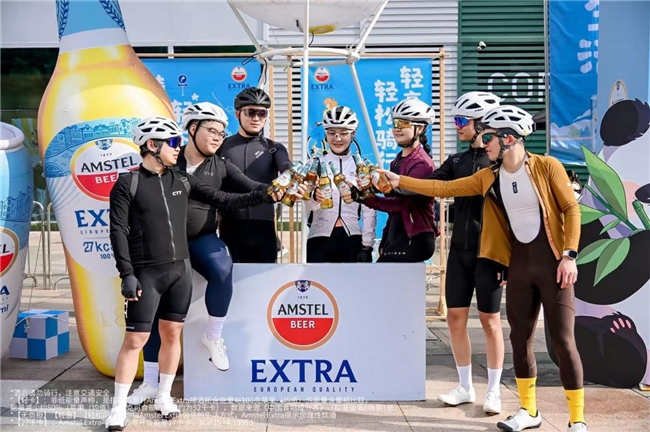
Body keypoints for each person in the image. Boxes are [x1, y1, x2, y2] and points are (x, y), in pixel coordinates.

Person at [379, 105, 587, 432]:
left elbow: (571, 209)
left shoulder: (547, 166)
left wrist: (569, 255)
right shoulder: (489, 175)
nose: (483, 142)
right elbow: (444, 189)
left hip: (553, 266)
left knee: (563, 341)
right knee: (520, 339)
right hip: (519, 266)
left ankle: (577, 419)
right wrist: (399, 180)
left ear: (509, 139)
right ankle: (528, 411)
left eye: (488, 137)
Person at [105, 116, 278, 430]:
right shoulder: (128, 183)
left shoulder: (182, 179)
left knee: (172, 335)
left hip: (180, 271)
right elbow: (117, 231)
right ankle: (117, 408)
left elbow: (223, 199)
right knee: (136, 339)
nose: (178, 147)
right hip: (146, 272)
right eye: (172, 142)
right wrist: (126, 273)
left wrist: (264, 194)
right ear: (151, 145)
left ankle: (164, 396)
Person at [433, 92, 505, 415]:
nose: (457, 126)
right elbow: (430, 185)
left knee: (490, 321)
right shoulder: (457, 161)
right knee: (455, 318)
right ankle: (465, 387)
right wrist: (389, 184)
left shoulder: (499, 163)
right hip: (459, 251)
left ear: (481, 124)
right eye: (455, 120)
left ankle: (494, 391)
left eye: (462, 120)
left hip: (488, 254)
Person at [357, 98, 439, 263]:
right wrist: (386, 236)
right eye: (395, 123)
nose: (397, 128)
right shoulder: (398, 160)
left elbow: (401, 204)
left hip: (415, 236)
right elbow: (393, 210)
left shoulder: (422, 164)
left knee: (380, 273)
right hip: (398, 233)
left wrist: (367, 199)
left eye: (403, 123)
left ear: (420, 128)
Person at [217, 87, 293, 263]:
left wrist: (294, 178)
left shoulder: (274, 148)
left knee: (266, 280)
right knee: (232, 279)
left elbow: (287, 168)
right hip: (230, 227)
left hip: (264, 227)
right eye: (251, 112)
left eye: (262, 113)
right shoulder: (222, 147)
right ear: (238, 114)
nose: (256, 118)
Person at [304, 106, 376, 262]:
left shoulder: (361, 166)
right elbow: (307, 205)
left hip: (352, 237)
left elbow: (369, 209)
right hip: (319, 238)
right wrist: (314, 199)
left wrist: (367, 245)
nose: (337, 138)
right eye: (332, 133)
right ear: (326, 134)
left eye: (343, 133)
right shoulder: (315, 164)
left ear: (353, 134)